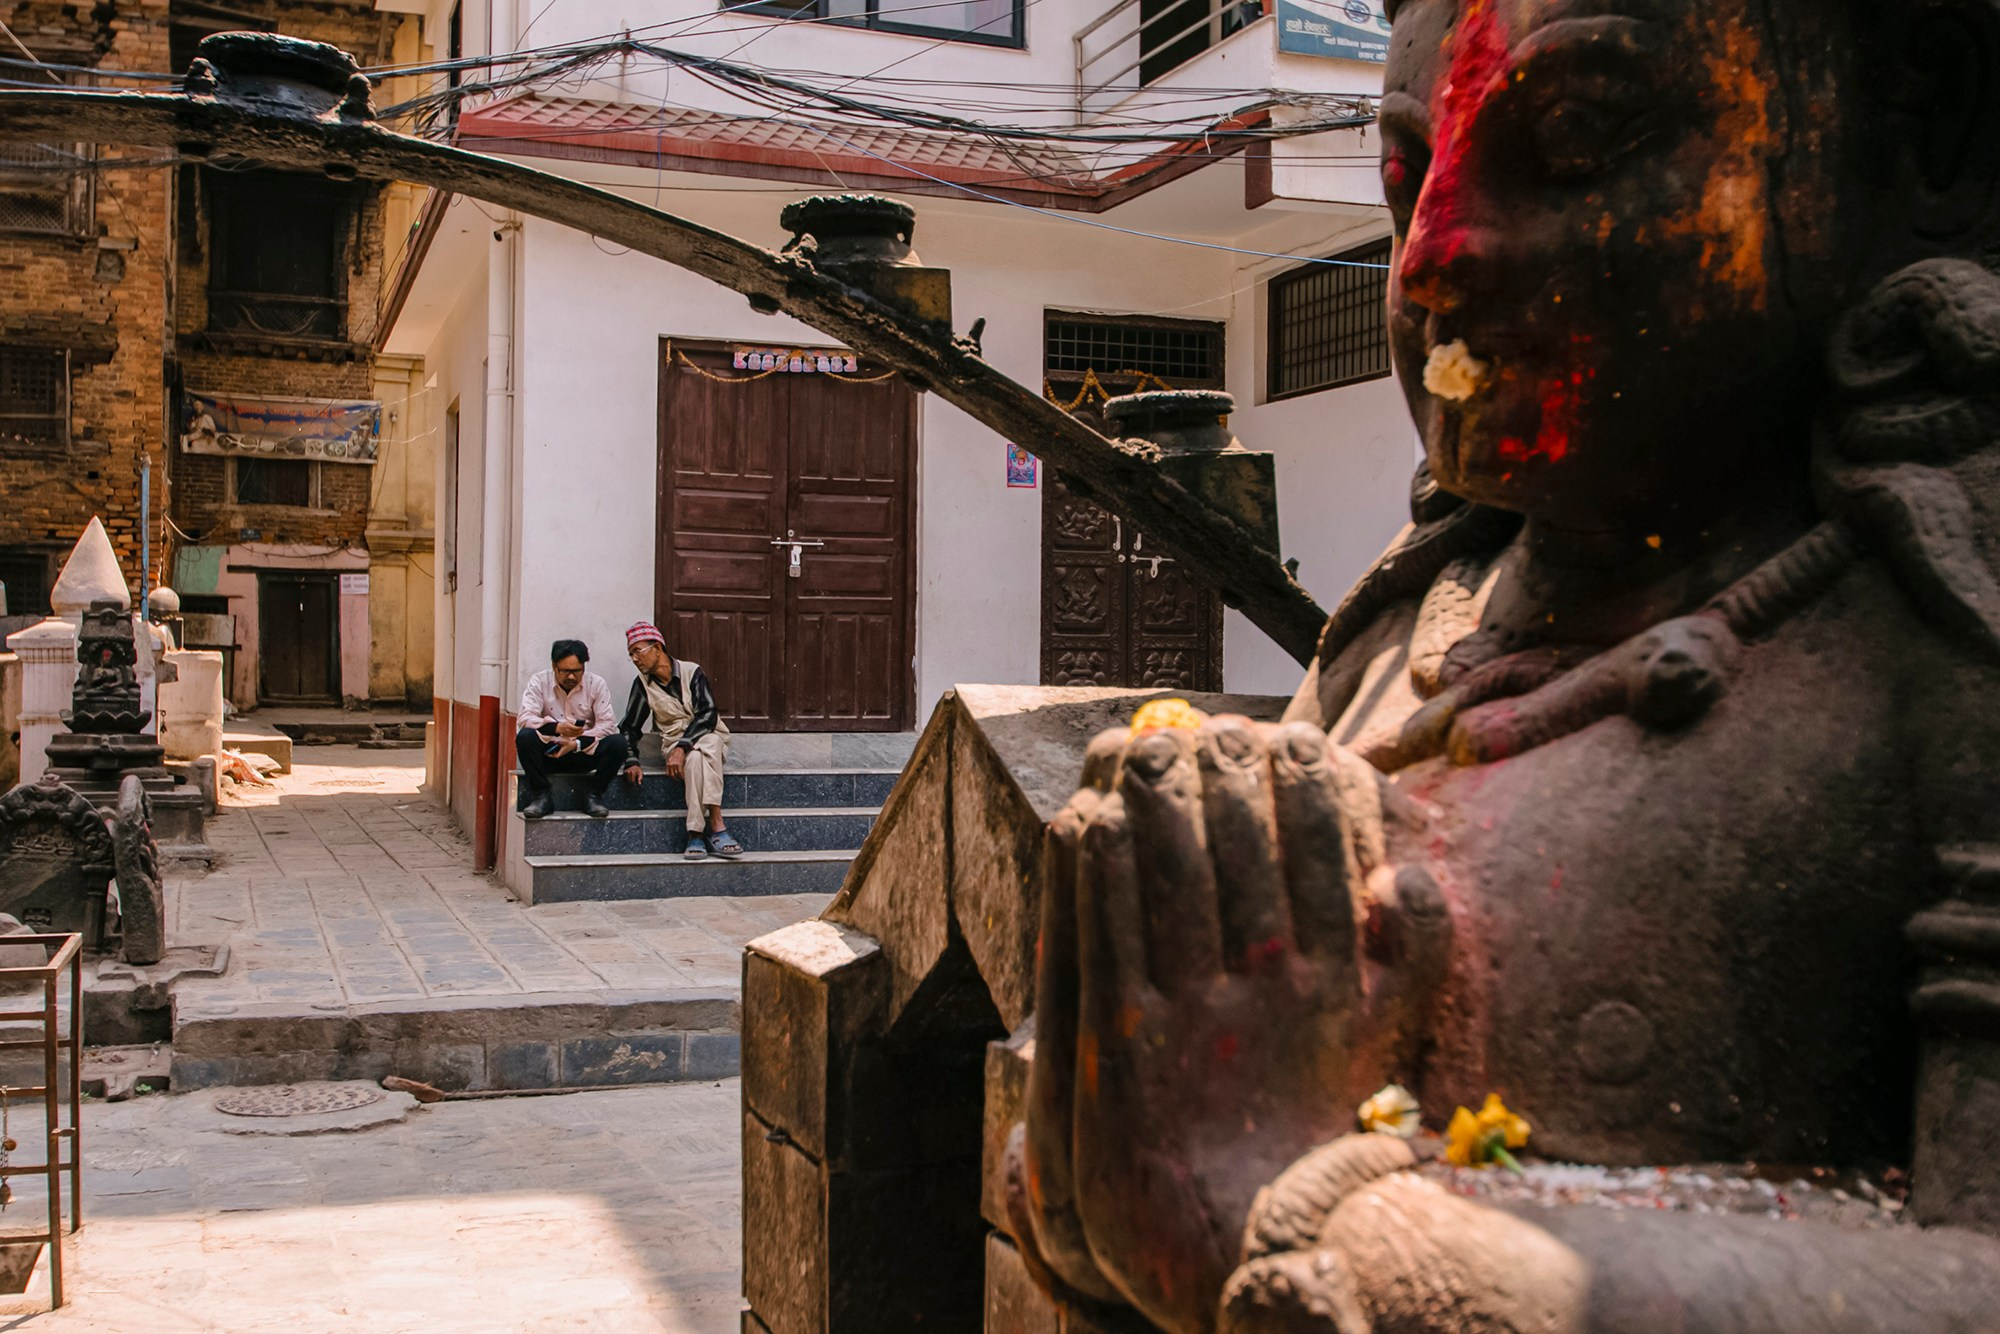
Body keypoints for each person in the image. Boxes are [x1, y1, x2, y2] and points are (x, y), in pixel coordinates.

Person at [618, 622, 742, 858]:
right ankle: (717, 825)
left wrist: (682, 748)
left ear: (657, 648)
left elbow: (707, 713)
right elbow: (629, 727)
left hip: (706, 735)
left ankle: (695, 833)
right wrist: (632, 759)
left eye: (638, 651)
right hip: (675, 742)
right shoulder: (642, 685)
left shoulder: (691, 671)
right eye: (631, 654)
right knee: (697, 758)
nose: (634, 658)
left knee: (708, 746)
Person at [515, 638, 625, 820]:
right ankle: (541, 795)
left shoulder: (596, 684)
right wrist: (557, 728)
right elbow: (525, 718)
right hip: (550, 753)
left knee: (619, 743)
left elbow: (607, 725)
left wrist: (575, 743)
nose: (571, 677)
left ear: (584, 668)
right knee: (525, 737)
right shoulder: (539, 681)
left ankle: (594, 795)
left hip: (583, 752)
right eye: (565, 671)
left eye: (577, 671)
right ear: (554, 666)